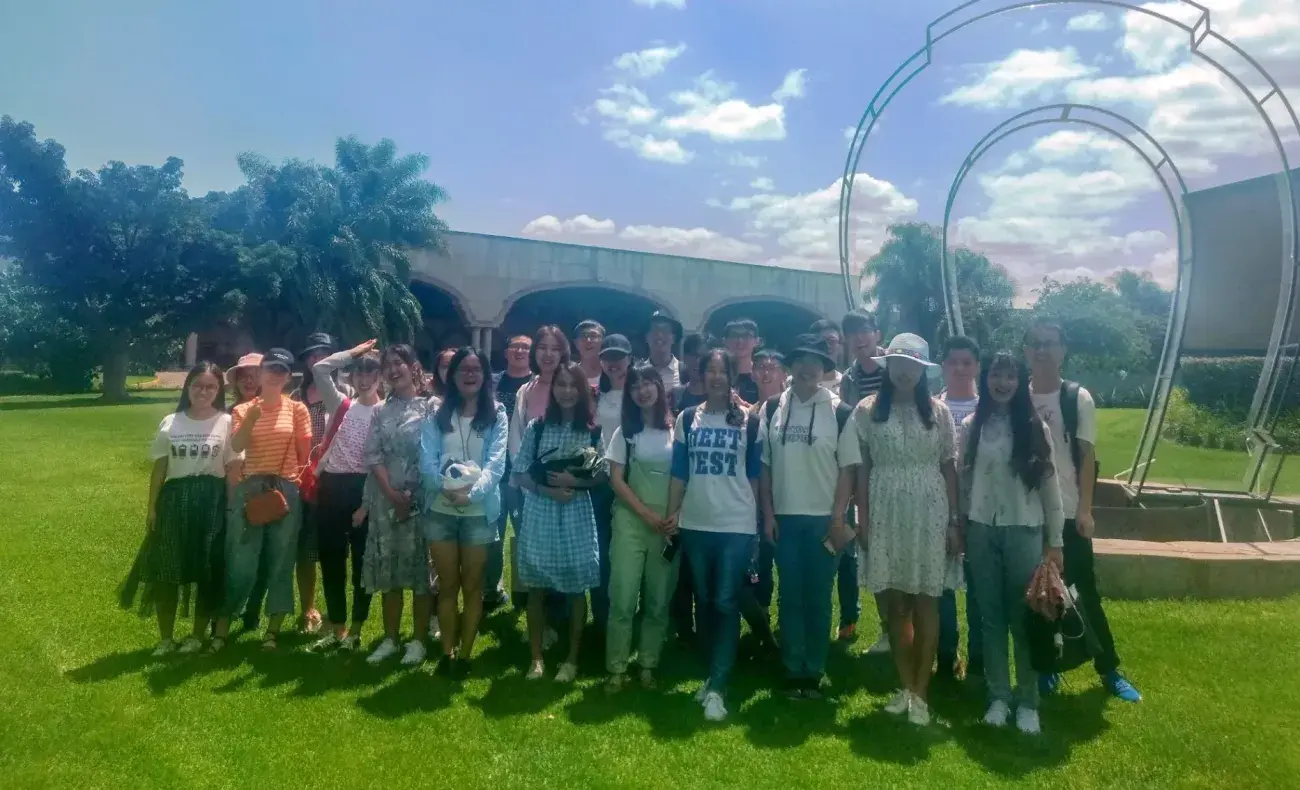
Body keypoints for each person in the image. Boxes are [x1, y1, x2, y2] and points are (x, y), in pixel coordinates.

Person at [1025, 319, 1142, 703]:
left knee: (1083, 593)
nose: (1042, 350)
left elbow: (1087, 456)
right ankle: (1047, 668)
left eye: (1050, 343)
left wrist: (1086, 510)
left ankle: (1109, 670)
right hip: (1028, 516)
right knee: (1037, 596)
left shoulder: (1077, 398)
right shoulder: (1017, 397)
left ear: (1063, 351)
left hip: (1069, 512)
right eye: (1035, 343)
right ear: (1026, 351)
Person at [854, 333, 959, 726]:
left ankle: (921, 692)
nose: (905, 372)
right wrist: (863, 518)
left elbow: (949, 466)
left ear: (922, 371)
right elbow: (861, 469)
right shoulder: (867, 411)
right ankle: (906, 687)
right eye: (899, 363)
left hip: (930, 510)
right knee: (896, 605)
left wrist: (954, 521)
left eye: (913, 365)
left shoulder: (939, 412)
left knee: (927, 601)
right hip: (885, 510)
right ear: (888, 367)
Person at [959, 351, 1065, 735]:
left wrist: (1055, 542)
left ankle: (1028, 701)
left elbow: (1051, 489)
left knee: (1023, 619)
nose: (1002, 383)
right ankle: (999, 697)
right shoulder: (971, 426)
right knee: (990, 619)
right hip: (981, 531)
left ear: (1020, 383)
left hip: (1024, 530)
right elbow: (964, 482)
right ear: (985, 379)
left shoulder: (1035, 427)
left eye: (1010, 377)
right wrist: (960, 527)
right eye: (995, 375)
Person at [760, 336, 860, 699]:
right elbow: (765, 466)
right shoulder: (773, 407)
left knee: (818, 596)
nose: (807, 368)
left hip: (824, 520)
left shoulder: (840, 411)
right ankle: (792, 668)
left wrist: (838, 517)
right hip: (784, 518)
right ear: (790, 365)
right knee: (789, 595)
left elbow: (848, 470)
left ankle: (814, 670)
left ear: (824, 369)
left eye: (815, 362)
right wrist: (768, 514)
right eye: (800, 360)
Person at [667, 349, 763, 723]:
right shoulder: (687, 418)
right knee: (705, 600)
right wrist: (672, 515)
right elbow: (679, 472)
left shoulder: (749, 422)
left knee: (725, 600)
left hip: (735, 523)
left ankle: (718, 687)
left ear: (732, 376)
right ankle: (712, 674)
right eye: (711, 370)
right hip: (696, 522)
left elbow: (754, 475)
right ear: (702, 374)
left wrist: (758, 521)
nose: (717, 377)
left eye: (724, 371)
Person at [124, 363, 238, 655]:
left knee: (206, 570)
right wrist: (152, 508)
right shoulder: (171, 422)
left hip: (211, 503)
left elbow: (231, 470)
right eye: (198, 385)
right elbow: (159, 469)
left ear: (219, 390)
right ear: (188, 387)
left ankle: (197, 636)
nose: (203, 391)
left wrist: (231, 509)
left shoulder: (226, 422)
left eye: (211, 386)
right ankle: (166, 638)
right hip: (174, 502)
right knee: (167, 570)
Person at [211, 349, 313, 653]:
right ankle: (222, 627)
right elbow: (237, 445)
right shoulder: (244, 410)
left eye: (282, 370)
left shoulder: (297, 409)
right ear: (261, 372)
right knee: (241, 560)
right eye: (270, 368)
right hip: (250, 488)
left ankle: (272, 630)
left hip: (285, 489)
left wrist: (290, 480)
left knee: (281, 561)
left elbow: (304, 455)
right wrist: (252, 418)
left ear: (288, 376)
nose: (275, 374)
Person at [513, 362, 607, 682]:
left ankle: (572, 659)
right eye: (561, 384)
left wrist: (574, 481)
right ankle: (536, 658)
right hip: (541, 511)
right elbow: (520, 472)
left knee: (577, 589)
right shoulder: (537, 427)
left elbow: (601, 475)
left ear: (582, 391)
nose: (567, 391)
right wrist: (547, 490)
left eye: (573, 386)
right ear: (552, 389)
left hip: (576, 514)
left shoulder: (592, 431)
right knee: (536, 587)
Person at [420, 347, 509, 678]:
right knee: (447, 586)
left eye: (476, 370)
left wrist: (472, 494)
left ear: (485, 376)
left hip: (478, 514)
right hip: (440, 511)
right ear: (452, 375)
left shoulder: (497, 414)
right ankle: (447, 652)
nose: (470, 375)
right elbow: (427, 458)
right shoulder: (436, 414)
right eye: (463, 370)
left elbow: (497, 463)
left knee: (472, 587)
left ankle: (466, 655)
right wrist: (443, 488)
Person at [604, 364, 679, 691]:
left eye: (649, 383)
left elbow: (687, 476)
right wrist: (645, 514)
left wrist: (677, 515)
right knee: (622, 597)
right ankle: (616, 668)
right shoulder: (625, 432)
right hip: (630, 522)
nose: (643, 391)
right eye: (635, 386)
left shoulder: (677, 429)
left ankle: (648, 664)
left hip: (668, 527)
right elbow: (616, 480)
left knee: (658, 600)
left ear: (660, 387)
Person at [362, 345, 436, 666]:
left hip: (422, 501)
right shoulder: (380, 410)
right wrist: (392, 495)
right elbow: (372, 454)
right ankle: (391, 638)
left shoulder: (432, 407)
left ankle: (418, 640)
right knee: (388, 571)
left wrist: (410, 495)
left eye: (399, 363)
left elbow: (434, 452)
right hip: (386, 501)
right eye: (387, 366)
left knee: (420, 572)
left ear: (413, 366)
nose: (393, 370)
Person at [308, 340, 384, 652]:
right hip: (332, 486)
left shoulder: (385, 412)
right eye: (358, 373)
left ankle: (356, 629)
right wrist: (353, 353)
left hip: (365, 488)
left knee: (362, 563)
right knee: (331, 559)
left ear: (380, 377)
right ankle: (337, 626)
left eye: (371, 373)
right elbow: (320, 368)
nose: (365, 380)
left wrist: (366, 505)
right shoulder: (342, 404)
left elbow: (383, 463)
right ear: (351, 377)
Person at [506, 325, 572, 648]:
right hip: (530, 487)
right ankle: (539, 623)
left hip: (563, 485)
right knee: (535, 554)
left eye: (554, 348)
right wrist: (527, 478)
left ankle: (559, 622)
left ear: (563, 353)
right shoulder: (525, 390)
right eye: (542, 347)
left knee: (560, 554)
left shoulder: (571, 387)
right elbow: (516, 437)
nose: (548, 354)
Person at [292, 333, 353, 635]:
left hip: (334, 479)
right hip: (302, 480)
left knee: (334, 551)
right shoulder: (297, 395)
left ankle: (335, 613)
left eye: (323, 354)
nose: (317, 360)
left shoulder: (347, 393)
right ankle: (308, 609)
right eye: (312, 355)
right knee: (304, 551)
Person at [838, 309, 887, 650]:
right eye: (852, 333)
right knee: (876, 553)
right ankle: (888, 628)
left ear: (877, 334)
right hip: (866, 473)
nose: (859, 338)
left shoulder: (895, 369)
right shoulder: (848, 379)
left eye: (865, 330)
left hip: (900, 468)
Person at [937, 335, 984, 680]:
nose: (960, 368)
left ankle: (979, 657)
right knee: (942, 586)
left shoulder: (988, 409)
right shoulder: (931, 407)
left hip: (980, 508)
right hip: (939, 508)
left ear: (977, 367)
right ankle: (946, 654)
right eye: (953, 362)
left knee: (979, 587)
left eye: (967, 362)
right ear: (943, 367)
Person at [485, 333, 535, 611]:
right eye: (515, 346)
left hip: (524, 474)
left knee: (525, 533)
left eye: (525, 347)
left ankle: (524, 591)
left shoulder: (537, 385)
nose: (519, 351)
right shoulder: (491, 382)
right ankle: (492, 590)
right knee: (492, 536)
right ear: (506, 352)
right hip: (493, 471)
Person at [591, 334, 634, 630]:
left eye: (619, 357)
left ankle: (632, 613)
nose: (613, 363)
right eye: (607, 358)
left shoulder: (640, 392)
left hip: (635, 481)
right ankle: (602, 616)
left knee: (630, 551)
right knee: (602, 550)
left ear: (630, 359)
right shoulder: (595, 395)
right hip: (601, 483)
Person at [224, 353, 267, 631]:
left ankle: (252, 610)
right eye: (244, 376)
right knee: (235, 555)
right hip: (233, 488)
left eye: (255, 375)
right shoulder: (226, 414)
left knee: (263, 554)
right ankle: (228, 609)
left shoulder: (273, 409)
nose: (249, 381)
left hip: (264, 488)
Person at [724, 319, 762, 406]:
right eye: (734, 335)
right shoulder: (717, 374)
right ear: (724, 341)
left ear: (757, 341)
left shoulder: (763, 375)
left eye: (746, 336)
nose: (740, 341)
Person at [644, 311, 683, 391]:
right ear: (646, 337)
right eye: (655, 330)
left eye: (665, 330)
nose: (660, 335)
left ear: (673, 338)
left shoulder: (684, 371)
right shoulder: (639, 372)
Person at [575, 320, 606, 390]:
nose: (588, 340)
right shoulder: (570, 375)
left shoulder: (613, 373)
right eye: (583, 336)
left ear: (603, 341)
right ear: (575, 343)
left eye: (593, 336)